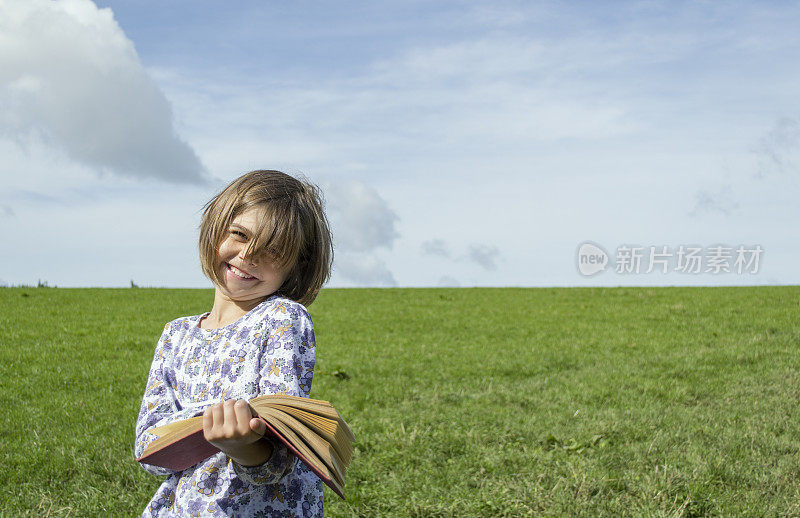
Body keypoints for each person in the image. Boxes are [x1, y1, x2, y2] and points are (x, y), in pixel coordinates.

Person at [134, 170, 334, 517]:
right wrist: (208, 425)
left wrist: (243, 447)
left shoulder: (283, 318)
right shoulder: (175, 335)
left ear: (297, 265)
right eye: (240, 234)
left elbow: (282, 454)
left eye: (273, 250)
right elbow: (150, 451)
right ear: (216, 226)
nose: (249, 255)